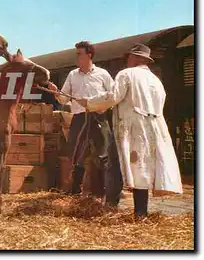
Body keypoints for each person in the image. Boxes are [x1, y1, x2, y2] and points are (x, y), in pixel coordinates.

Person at [76, 43, 183, 219]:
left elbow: (113, 97)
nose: (127, 59)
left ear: (136, 58)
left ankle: (110, 206)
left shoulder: (126, 74)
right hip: (154, 128)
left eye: (130, 56)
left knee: (115, 165)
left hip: (131, 128)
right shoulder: (156, 80)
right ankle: (140, 213)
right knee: (142, 169)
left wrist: (88, 103)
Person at [48, 41, 123, 208]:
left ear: (89, 55)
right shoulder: (72, 75)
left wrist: (101, 107)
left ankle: (105, 196)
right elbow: (64, 99)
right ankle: (74, 193)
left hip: (99, 117)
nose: (77, 57)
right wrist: (56, 92)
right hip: (79, 118)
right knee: (76, 154)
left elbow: (114, 95)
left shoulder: (103, 74)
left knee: (104, 155)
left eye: (79, 53)